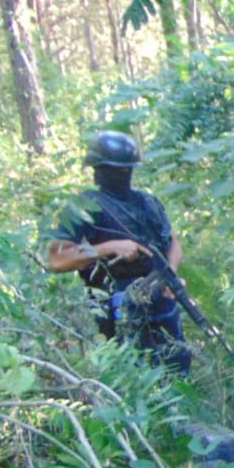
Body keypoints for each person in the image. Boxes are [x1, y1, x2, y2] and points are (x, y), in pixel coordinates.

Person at [47, 130, 192, 375]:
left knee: (176, 366)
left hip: (159, 300)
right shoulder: (82, 206)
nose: (122, 175)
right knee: (132, 376)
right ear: (97, 169)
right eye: (114, 170)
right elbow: (57, 258)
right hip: (116, 305)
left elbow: (173, 243)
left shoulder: (147, 203)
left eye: (125, 169)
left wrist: (171, 274)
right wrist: (109, 248)